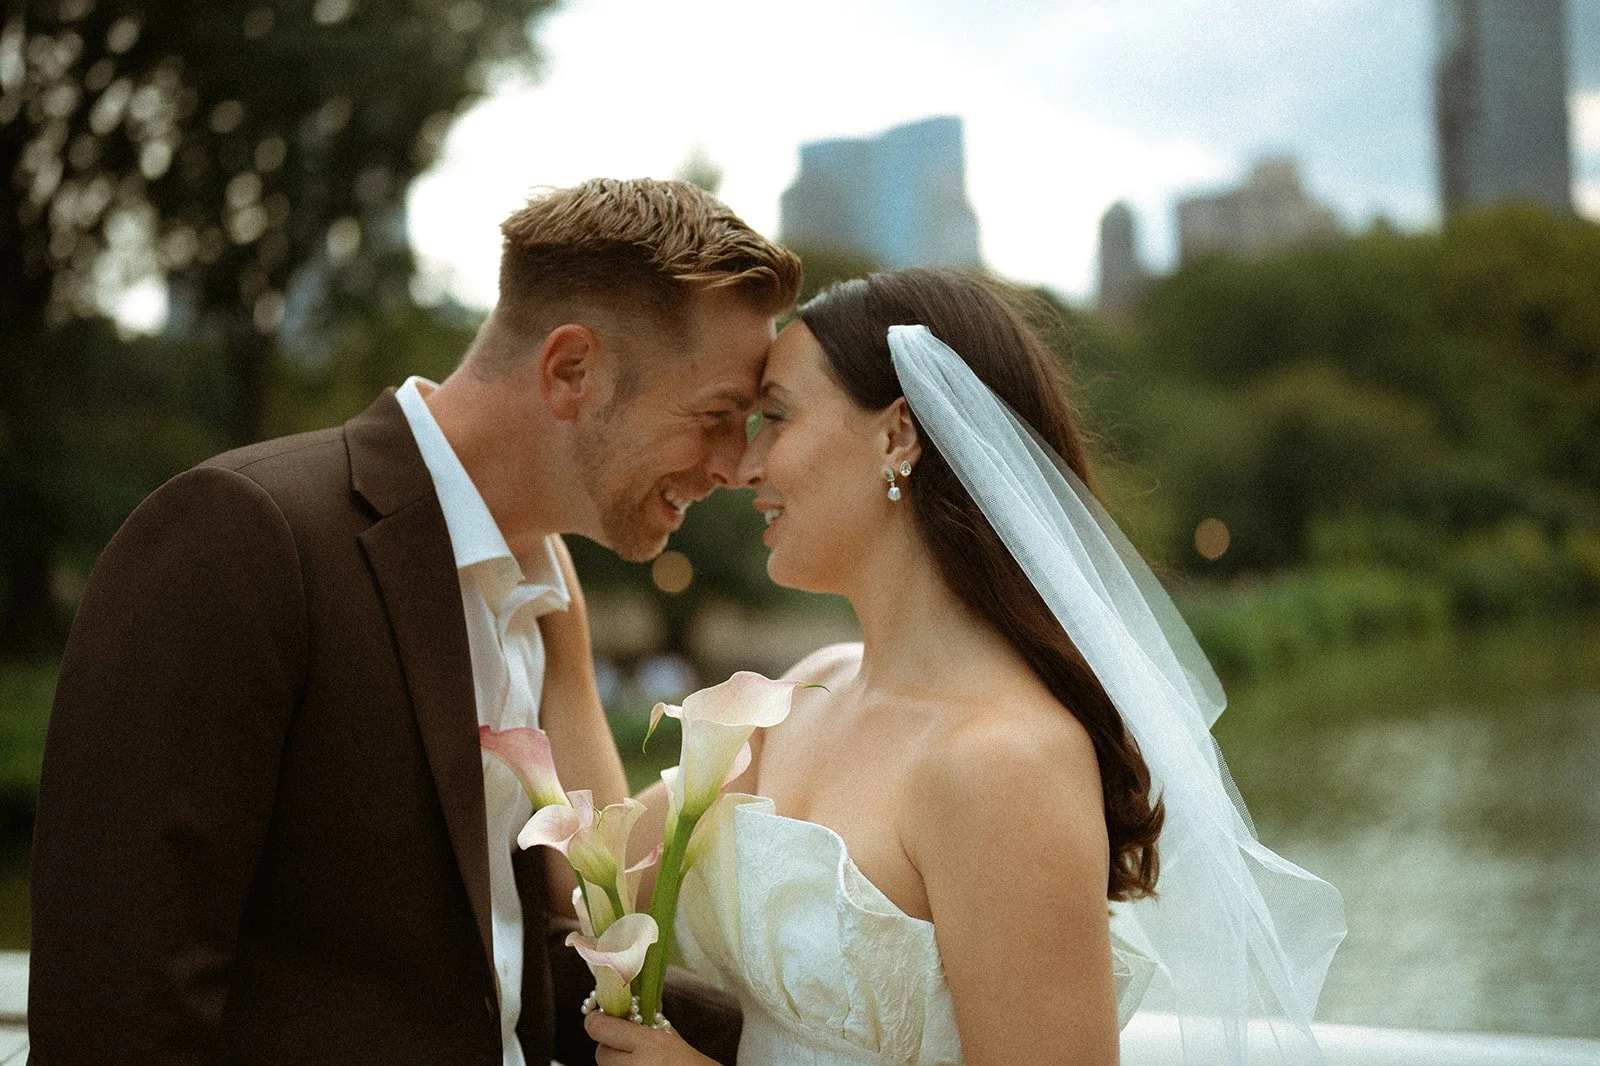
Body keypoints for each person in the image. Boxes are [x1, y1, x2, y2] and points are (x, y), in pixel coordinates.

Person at [28, 177, 799, 1065]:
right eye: (714, 418)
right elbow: (117, 1000)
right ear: (571, 371)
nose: (737, 466)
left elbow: (480, 964)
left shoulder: (537, 598)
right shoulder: (243, 535)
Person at [582, 269, 1345, 1065]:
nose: (743, 467)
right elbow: (593, 877)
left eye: (775, 417)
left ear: (897, 435)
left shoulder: (1004, 761)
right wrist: (555, 605)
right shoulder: (801, 697)